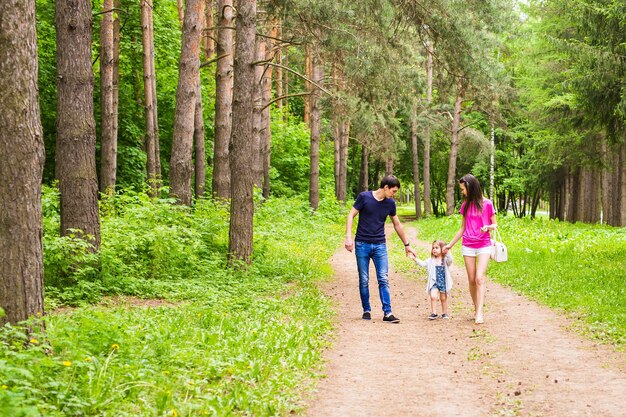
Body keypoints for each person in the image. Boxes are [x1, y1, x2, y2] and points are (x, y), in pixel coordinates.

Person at [344, 175, 416, 323]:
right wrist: (348, 237)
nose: (394, 194)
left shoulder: (390, 203)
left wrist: (407, 244)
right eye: (393, 191)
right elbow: (351, 215)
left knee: (383, 278)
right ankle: (366, 310)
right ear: (385, 187)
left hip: (380, 245)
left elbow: (397, 224)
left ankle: (387, 313)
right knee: (364, 279)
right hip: (362, 244)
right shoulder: (364, 197)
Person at [443, 174, 497, 324]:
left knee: (480, 278)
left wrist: (488, 227)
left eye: (463, 189)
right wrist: (450, 245)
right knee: (472, 280)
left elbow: (495, 224)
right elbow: (462, 228)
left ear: (470, 187)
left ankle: (479, 312)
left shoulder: (487, 204)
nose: (462, 192)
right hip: (468, 245)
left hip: (484, 244)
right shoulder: (465, 205)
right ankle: (476, 308)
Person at [409, 240, 453, 320]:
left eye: (436, 248)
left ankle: (444, 313)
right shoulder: (430, 260)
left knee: (443, 298)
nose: (434, 250)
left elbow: (450, 260)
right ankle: (434, 313)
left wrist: (447, 251)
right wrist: (415, 259)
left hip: (443, 282)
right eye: (433, 248)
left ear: (442, 249)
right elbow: (423, 264)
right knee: (433, 296)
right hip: (434, 282)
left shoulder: (445, 260)